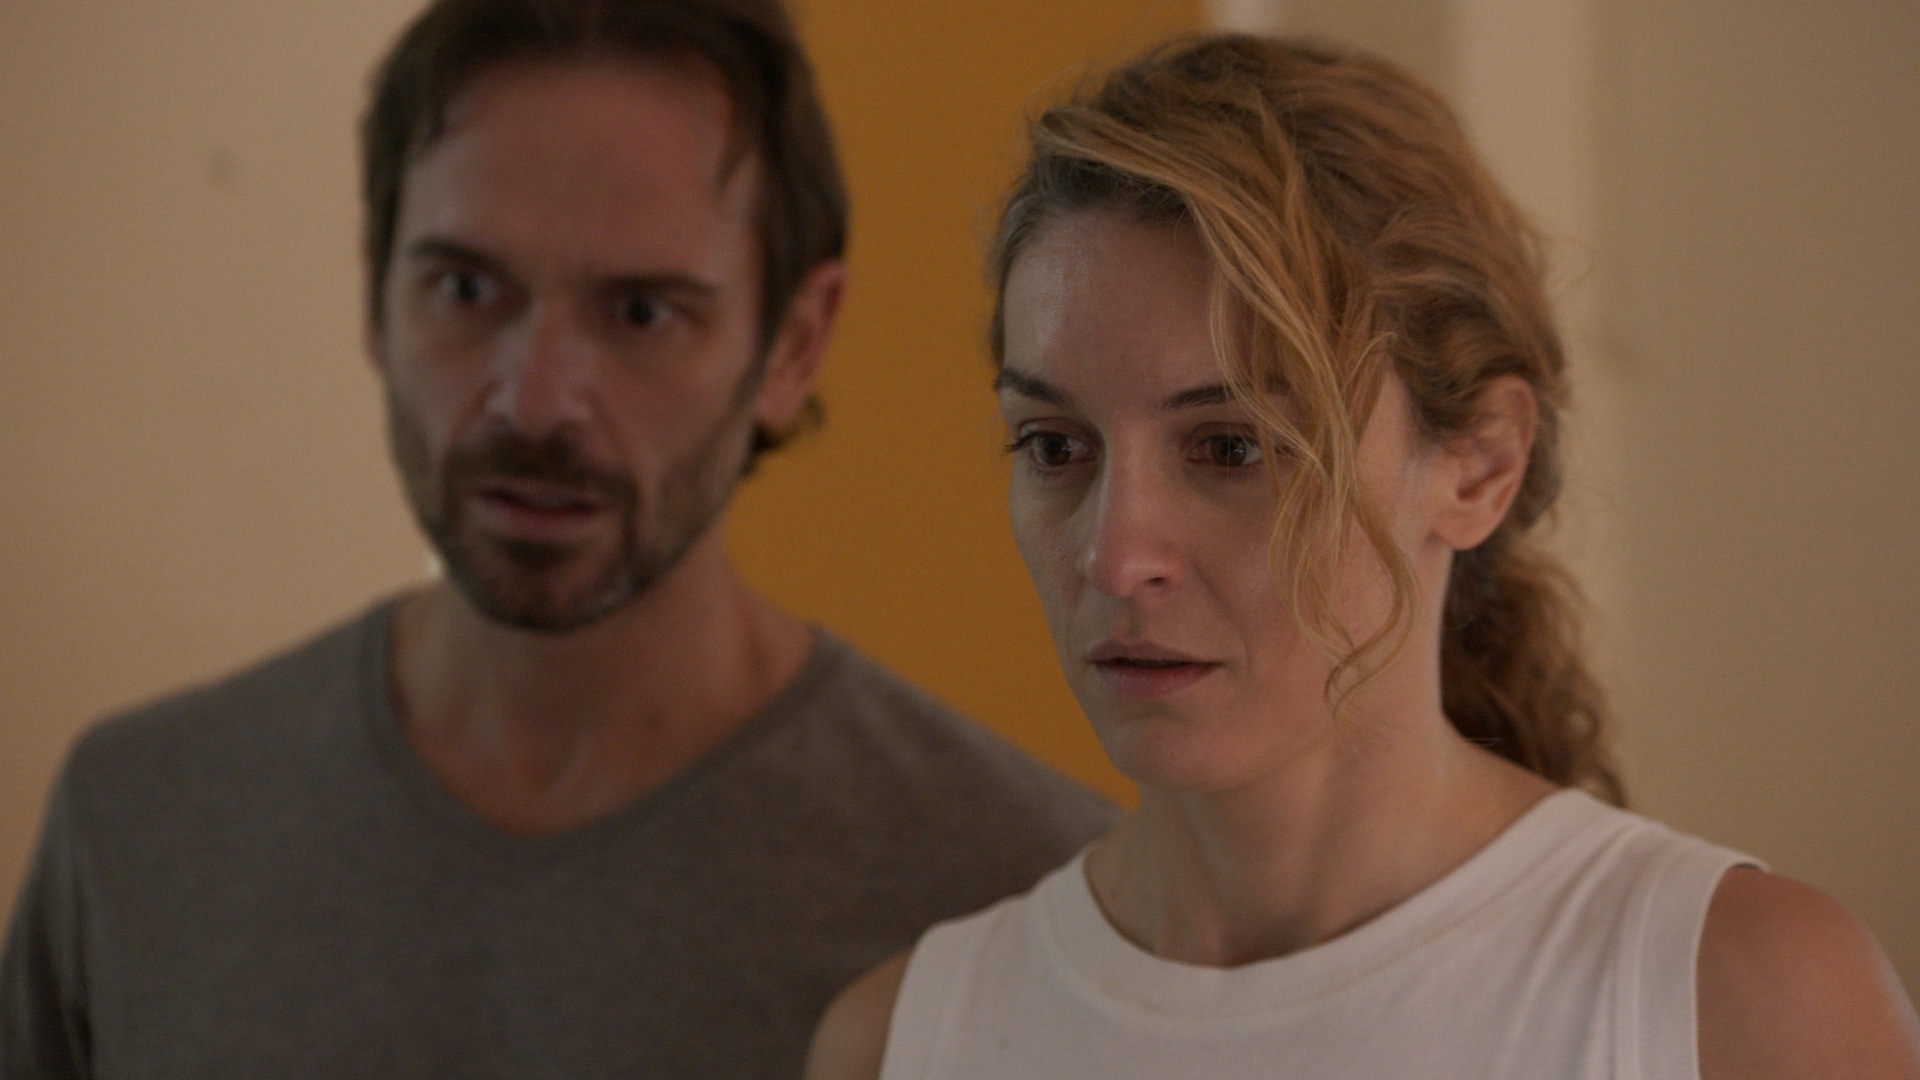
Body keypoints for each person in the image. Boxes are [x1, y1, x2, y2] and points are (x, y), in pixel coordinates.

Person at [0, 0, 1116, 1075]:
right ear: (375, 292)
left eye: (641, 313)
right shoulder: (138, 822)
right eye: (466, 288)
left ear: (794, 343)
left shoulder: (1023, 907)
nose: (534, 400)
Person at [806, 33, 1920, 1080]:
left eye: (1234, 447)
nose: (1114, 555)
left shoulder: (1734, 1001)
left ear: (1479, 465)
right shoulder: (906, 1040)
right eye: (1056, 447)